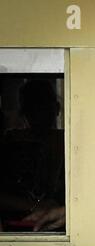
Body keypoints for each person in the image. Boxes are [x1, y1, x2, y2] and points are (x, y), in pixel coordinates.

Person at [0, 79, 65, 231]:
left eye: (44, 106)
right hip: (16, 223)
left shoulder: (69, 141)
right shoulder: (10, 142)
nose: (40, 113)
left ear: (56, 108)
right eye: (34, 107)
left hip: (59, 220)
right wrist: (36, 205)